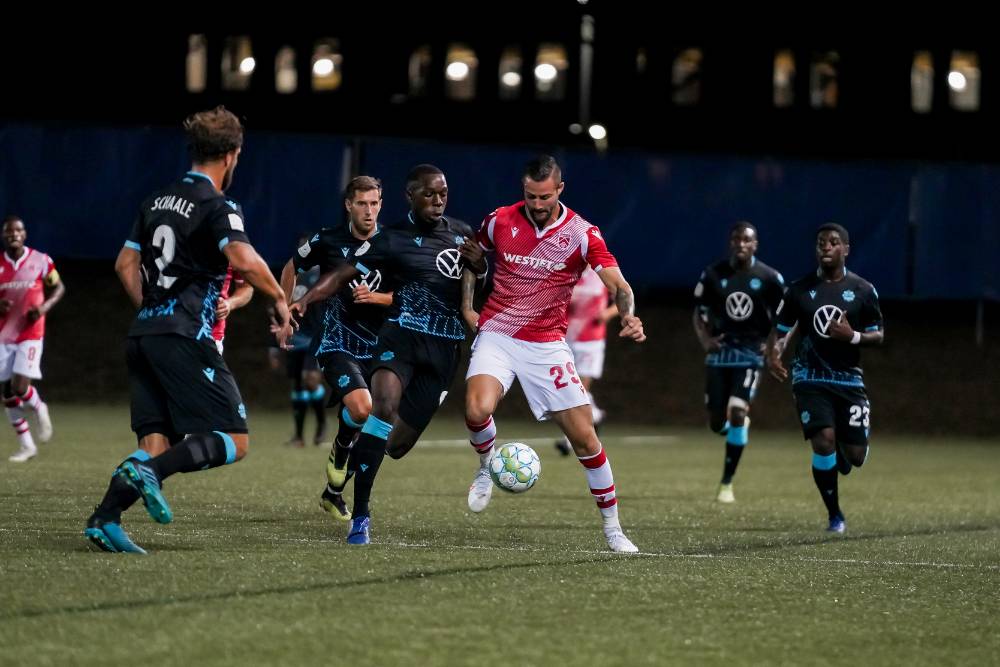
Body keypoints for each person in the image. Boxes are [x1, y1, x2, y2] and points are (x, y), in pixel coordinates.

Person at [83, 105, 291, 553]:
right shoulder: (217, 205)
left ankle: (105, 518)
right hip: (183, 338)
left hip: (143, 335)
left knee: (155, 443)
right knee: (234, 440)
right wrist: (279, 298)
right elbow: (243, 259)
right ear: (232, 155)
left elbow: (125, 264)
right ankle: (149, 477)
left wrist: (153, 311)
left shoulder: (155, 200)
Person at [283, 164, 485, 545]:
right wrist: (305, 299)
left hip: (443, 350)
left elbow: (477, 279)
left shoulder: (462, 234)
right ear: (411, 196)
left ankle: (341, 472)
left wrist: (480, 269)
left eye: (443, 193)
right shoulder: (390, 239)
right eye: (430, 193)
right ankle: (360, 516)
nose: (438, 200)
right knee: (381, 407)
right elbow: (341, 274)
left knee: (395, 445)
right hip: (400, 338)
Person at [461, 155, 646, 554]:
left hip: (546, 343)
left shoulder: (582, 233)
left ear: (560, 189)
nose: (538, 203)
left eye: (545, 196)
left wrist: (629, 317)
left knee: (585, 439)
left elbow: (619, 285)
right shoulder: (500, 220)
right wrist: (466, 305)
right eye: (530, 195)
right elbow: (472, 258)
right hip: (498, 332)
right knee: (476, 410)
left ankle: (613, 528)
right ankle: (486, 467)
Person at [279, 176, 390, 520]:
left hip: (379, 346)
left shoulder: (392, 244)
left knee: (383, 429)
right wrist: (285, 311)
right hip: (335, 342)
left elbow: (407, 295)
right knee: (361, 410)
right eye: (362, 203)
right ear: (349, 205)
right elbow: (290, 267)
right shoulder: (326, 240)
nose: (369, 211)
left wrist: (377, 298)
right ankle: (340, 451)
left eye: (374, 203)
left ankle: (332, 492)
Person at [767, 223, 883, 534]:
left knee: (855, 457)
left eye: (833, 242)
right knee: (823, 440)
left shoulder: (863, 290)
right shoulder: (798, 290)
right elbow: (781, 329)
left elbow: (878, 334)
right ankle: (835, 515)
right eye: (821, 242)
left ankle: (846, 455)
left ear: (846, 249)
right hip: (809, 376)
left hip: (848, 380)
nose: (826, 247)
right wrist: (774, 352)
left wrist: (852, 335)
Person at [692, 222, 784, 503]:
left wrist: (773, 348)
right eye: (736, 239)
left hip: (750, 354)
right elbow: (699, 312)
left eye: (747, 240)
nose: (741, 244)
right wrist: (706, 341)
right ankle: (737, 428)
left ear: (755, 245)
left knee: (736, 411)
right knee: (717, 422)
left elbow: (784, 320)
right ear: (731, 243)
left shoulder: (770, 278)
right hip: (720, 355)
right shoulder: (712, 274)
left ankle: (726, 483)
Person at [0, 215, 64, 462]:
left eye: (18, 231)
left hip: (31, 332)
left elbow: (58, 288)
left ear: (24, 234)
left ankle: (39, 407)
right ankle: (27, 446)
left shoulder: (41, 260)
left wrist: (43, 308)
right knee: (7, 393)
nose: (13, 234)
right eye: (8, 231)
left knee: (19, 387)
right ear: (4, 236)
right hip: (5, 334)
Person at [554, 266, 617, 455]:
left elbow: (621, 299)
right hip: (566, 338)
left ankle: (568, 440)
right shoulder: (569, 268)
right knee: (569, 389)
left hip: (592, 341)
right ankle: (595, 414)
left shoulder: (604, 272)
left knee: (579, 390)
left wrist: (606, 314)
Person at [281, 252, 328, 448]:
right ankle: (299, 437)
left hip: (315, 336)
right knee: (298, 385)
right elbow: (278, 305)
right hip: (295, 336)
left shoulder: (322, 275)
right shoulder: (290, 274)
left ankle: (321, 423)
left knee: (310, 379)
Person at [211, 266, 253, 355]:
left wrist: (229, 304)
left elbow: (247, 287)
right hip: (177, 327)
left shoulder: (234, 253)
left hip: (212, 335)